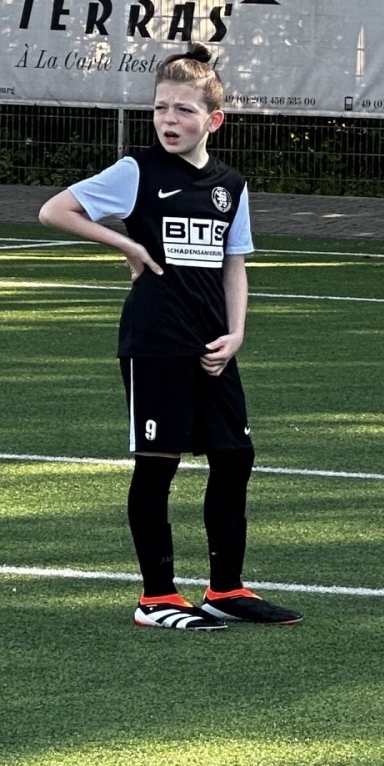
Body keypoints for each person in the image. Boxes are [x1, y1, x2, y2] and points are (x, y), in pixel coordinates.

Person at [37, 45, 300, 630]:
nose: (168, 120)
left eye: (183, 110)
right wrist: (127, 244)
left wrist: (236, 333)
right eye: (160, 108)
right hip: (155, 341)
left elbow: (234, 263)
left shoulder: (230, 185)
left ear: (214, 119)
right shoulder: (137, 171)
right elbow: (55, 211)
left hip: (212, 345)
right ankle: (156, 598)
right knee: (158, 465)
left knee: (235, 457)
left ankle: (226, 590)